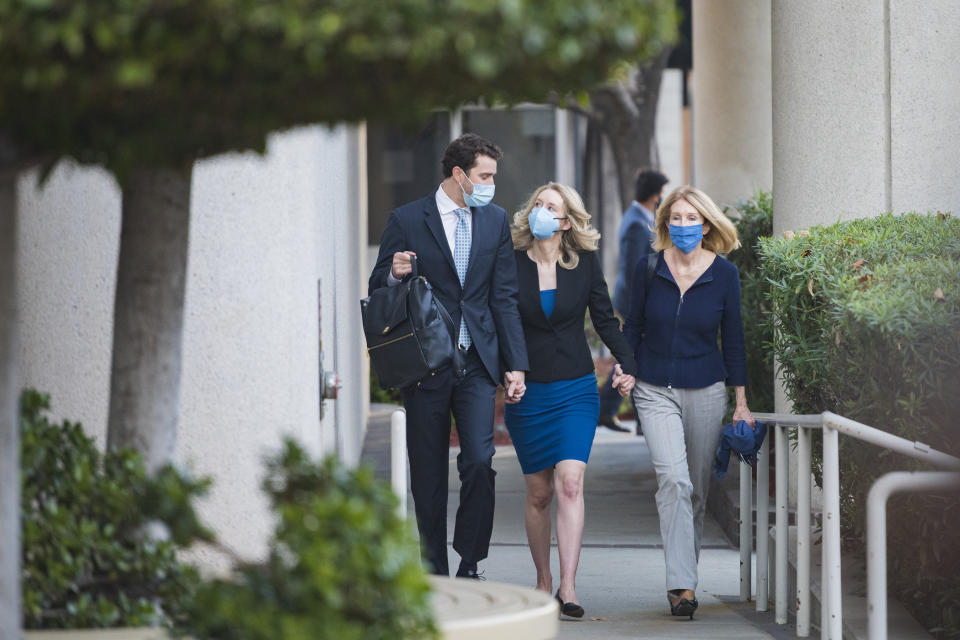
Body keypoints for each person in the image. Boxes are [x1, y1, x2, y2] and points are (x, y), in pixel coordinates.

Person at [368, 133, 529, 579]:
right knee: (428, 470)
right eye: (485, 175)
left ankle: (470, 560)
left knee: (479, 460)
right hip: (426, 363)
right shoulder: (407, 219)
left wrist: (515, 364)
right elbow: (377, 285)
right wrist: (394, 272)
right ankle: (433, 565)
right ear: (459, 175)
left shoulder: (495, 221)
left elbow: (504, 296)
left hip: (477, 360)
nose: (491, 183)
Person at [504, 182, 636, 617]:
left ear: (566, 222)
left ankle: (569, 586)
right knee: (540, 493)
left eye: (552, 208)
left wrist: (626, 361)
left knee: (571, 482)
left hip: (576, 388)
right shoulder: (509, 263)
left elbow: (604, 317)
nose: (542, 212)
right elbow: (500, 320)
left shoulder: (583, 264)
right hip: (527, 391)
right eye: (537, 204)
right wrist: (509, 367)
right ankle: (542, 580)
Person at [623, 185, 754, 619]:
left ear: (706, 224)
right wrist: (625, 368)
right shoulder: (649, 269)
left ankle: (686, 580)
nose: (682, 226)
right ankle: (681, 586)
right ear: (664, 225)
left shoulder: (724, 275)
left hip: (706, 387)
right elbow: (632, 327)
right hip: (654, 387)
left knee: (696, 491)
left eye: (690, 218)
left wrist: (740, 401)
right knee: (674, 481)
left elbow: (733, 340)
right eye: (674, 218)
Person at [598, 168, 669, 434]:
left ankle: (617, 414)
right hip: (636, 303)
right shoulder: (638, 224)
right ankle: (614, 413)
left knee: (634, 356)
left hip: (635, 301)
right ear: (654, 194)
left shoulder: (637, 218)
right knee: (634, 356)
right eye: (661, 193)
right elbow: (632, 269)